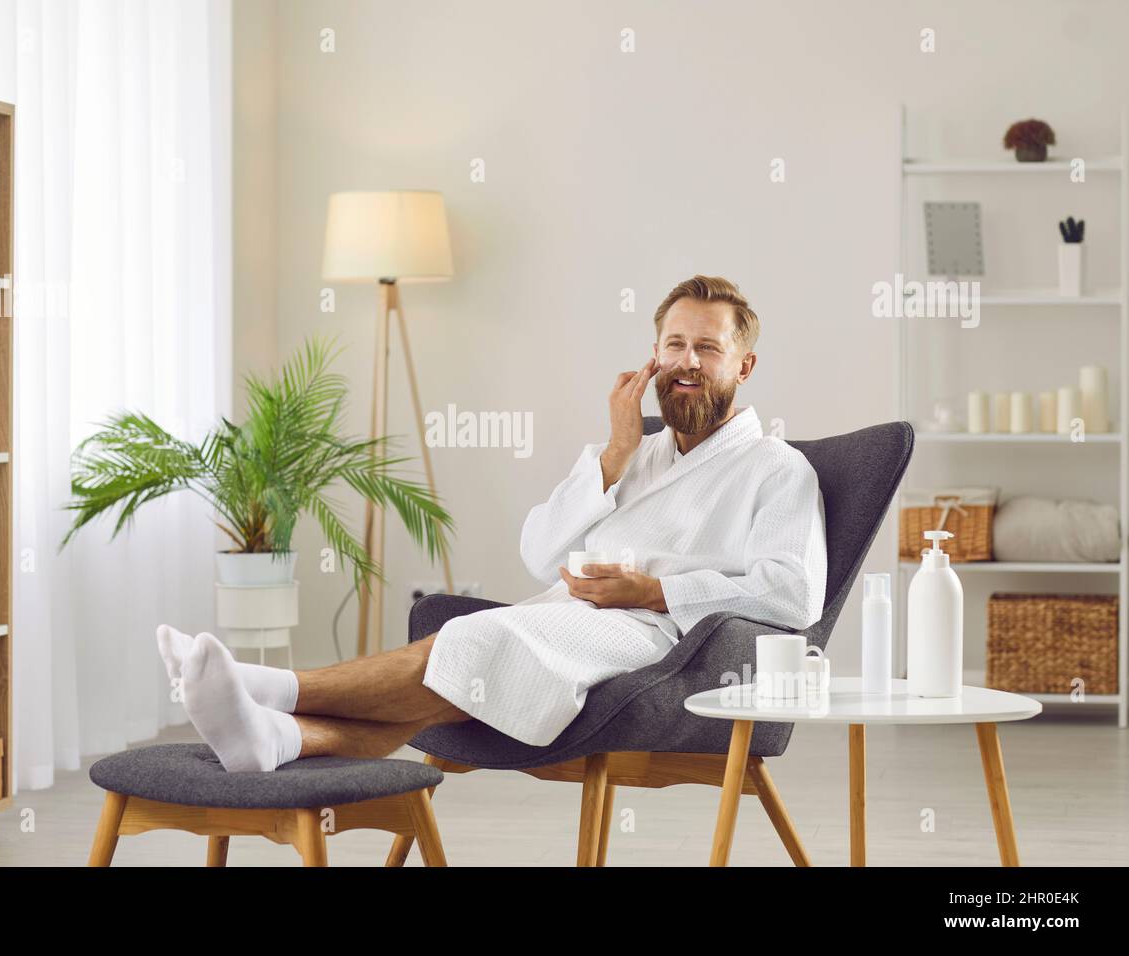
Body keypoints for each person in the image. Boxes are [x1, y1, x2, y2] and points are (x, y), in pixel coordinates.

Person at [157, 275, 827, 771]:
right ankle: (278, 738)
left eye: (706, 348)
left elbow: (794, 593)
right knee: (465, 675)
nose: (685, 362)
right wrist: (615, 454)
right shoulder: (626, 451)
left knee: (480, 639)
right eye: (673, 344)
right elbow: (540, 553)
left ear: (744, 365)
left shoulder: (776, 468)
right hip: (573, 615)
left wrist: (653, 592)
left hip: (666, 643)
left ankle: (266, 685)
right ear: (651, 355)